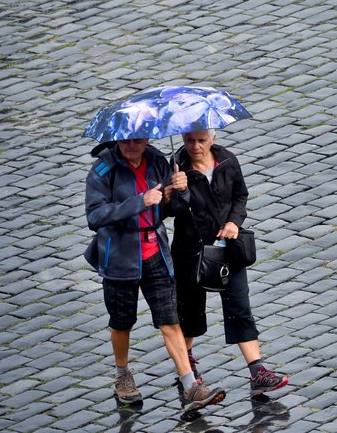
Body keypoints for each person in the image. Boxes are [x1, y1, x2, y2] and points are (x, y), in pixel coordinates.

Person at [85, 138, 226, 415]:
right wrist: (140, 201)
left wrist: (179, 192)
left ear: (147, 138)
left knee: (170, 320)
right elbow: (95, 215)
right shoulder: (102, 170)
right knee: (122, 322)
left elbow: (170, 210)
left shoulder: (158, 161)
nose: (132, 145)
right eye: (126, 140)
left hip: (156, 255)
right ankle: (122, 374)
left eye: (138, 139)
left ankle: (190, 385)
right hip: (120, 259)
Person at [172, 129, 288, 397]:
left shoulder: (227, 160)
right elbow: (171, 212)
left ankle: (257, 370)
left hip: (227, 249)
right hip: (191, 252)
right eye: (189, 140)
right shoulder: (177, 169)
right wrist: (177, 191)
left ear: (212, 139)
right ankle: (187, 367)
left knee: (239, 307)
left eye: (201, 140)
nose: (195, 146)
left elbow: (240, 196)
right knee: (189, 313)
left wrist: (234, 222)